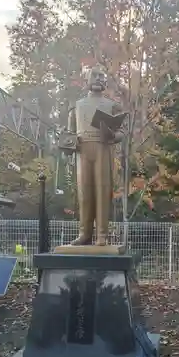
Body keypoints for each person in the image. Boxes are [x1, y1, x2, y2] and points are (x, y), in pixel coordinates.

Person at [67, 65, 125, 246]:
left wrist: (113, 136)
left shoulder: (112, 105)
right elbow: (69, 133)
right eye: (95, 76)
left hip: (103, 148)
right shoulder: (77, 106)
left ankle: (102, 235)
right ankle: (84, 234)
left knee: (102, 191)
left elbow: (122, 131)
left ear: (106, 82)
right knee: (84, 193)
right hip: (83, 150)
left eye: (102, 76)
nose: (99, 79)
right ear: (87, 80)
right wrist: (70, 142)